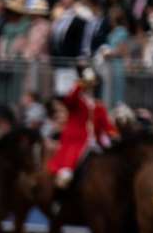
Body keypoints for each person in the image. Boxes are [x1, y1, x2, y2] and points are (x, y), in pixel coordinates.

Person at [46, 63, 115, 192]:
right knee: (66, 176)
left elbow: (107, 126)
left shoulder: (98, 106)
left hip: (95, 142)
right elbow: (69, 100)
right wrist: (81, 83)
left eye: (92, 84)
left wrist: (114, 134)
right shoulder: (76, 100)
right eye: (90, 84)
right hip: (76, 141)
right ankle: (59, 198)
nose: (91, 87)